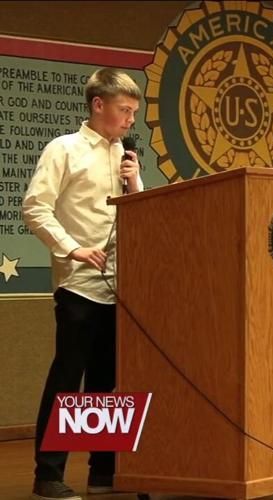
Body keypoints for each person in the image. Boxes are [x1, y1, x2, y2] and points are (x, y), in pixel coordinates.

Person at [23, 68, 143, 500]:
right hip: (78, 283)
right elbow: (35, 208)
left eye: (133, 112)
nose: (130, 120)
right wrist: (72, 248)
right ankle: (48, 473)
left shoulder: (123, 157)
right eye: (124, 110)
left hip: (119, 286)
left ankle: (103, 469)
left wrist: (134, 180)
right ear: (98, 105)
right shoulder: (65, 149)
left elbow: (137, 215)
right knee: (67, 377)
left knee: (108, 382)